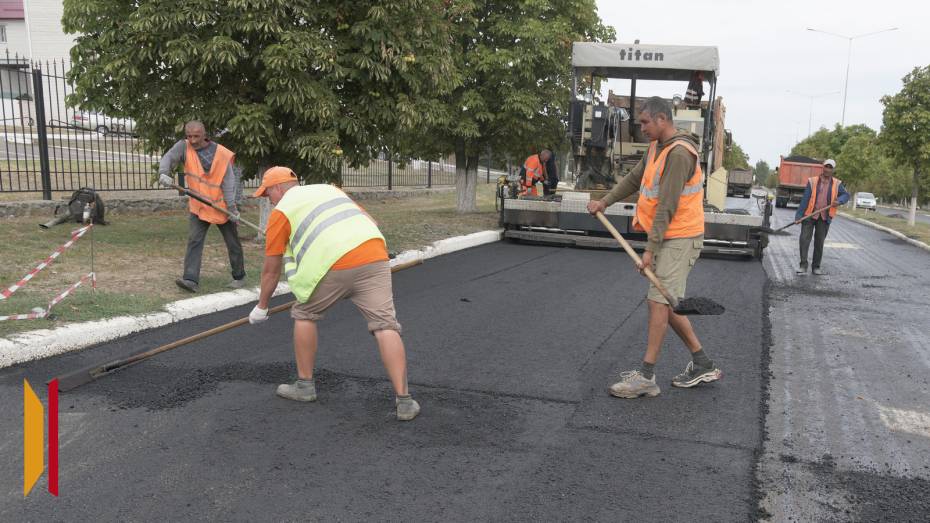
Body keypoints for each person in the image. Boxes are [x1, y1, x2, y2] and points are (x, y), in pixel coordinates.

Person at [248, 167, 419, 421]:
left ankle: (305, 386)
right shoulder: (330, 189)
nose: (268, 200)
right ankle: (404, 401)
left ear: (277, 188)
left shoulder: (281, 212)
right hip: (374, 255)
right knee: (385, 325)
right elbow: (371, 223)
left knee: (305, 313)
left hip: (334, 265)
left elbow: (271, 271)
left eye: (267, 194)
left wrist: (262, 307)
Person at [586, 96, 721, 399]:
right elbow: (635, 180)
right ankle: (702, 363)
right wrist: (604, 202)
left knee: (657, 300)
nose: (641, 128)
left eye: (645, 122)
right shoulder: (656, 148)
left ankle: (646, 377)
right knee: (669, 301)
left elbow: (667, 206)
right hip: (669, 235)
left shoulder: (679, 154)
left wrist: (649, 249)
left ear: (662, 119)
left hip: (681, 236)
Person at [158, 121, 245, 292]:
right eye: (189, 136)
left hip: (222, 207)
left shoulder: (220, 154)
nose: (192, 140)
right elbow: (168, 158)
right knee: (194, 240)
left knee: (232, 242)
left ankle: (239, 276)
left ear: (205, 135)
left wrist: (232, 209)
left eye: (196, 136)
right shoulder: (183, 147)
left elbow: (228, 183)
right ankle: (190, 279)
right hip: (199, 205)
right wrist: (163, 173)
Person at [795, 159, 849, 276]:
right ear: (822, 167)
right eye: (826, 167)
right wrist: (799, 216)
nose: (828, 169)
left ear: (833, 170)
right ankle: (803, 265)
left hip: (824, 217)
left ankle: (816, 267)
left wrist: (839, 201)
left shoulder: (837, 184)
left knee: (819, 242)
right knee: (804, 240)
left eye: (830, 168)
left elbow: (846, 195)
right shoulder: (812, 181)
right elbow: (805, 199)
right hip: (809, 215)